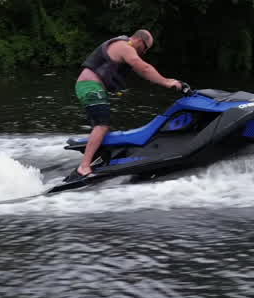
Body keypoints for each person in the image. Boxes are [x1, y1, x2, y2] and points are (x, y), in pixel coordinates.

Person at [66, 29, 183, 183]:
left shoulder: (126, 50)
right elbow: (144, 67)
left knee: (105, 126)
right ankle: (84, 167)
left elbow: (144, 72)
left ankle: (100, 159)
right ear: (140, 42)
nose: (144, 53)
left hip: (93, 87)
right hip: (89, 87)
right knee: (102, 125)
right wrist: (167, 82)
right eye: (146, 49)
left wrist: (166, 82)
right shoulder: (123, 47)